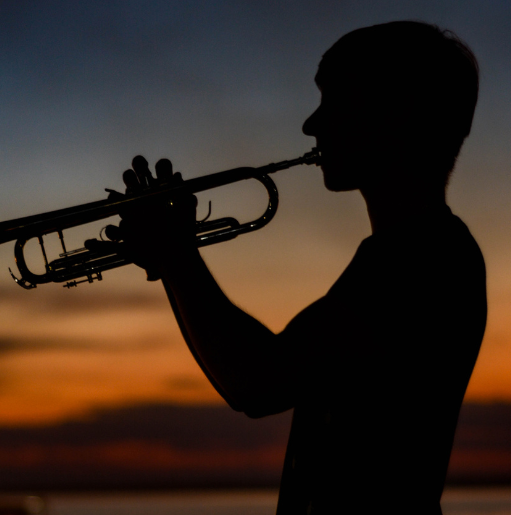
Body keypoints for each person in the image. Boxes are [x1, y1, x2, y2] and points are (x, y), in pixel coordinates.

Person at [109, 21, 486, 515]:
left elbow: (256, 381)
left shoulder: (422, 261)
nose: (312, 126)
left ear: (391, 116)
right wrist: (171, 258)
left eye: (334, 104)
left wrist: (177, 257)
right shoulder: (411, 252)